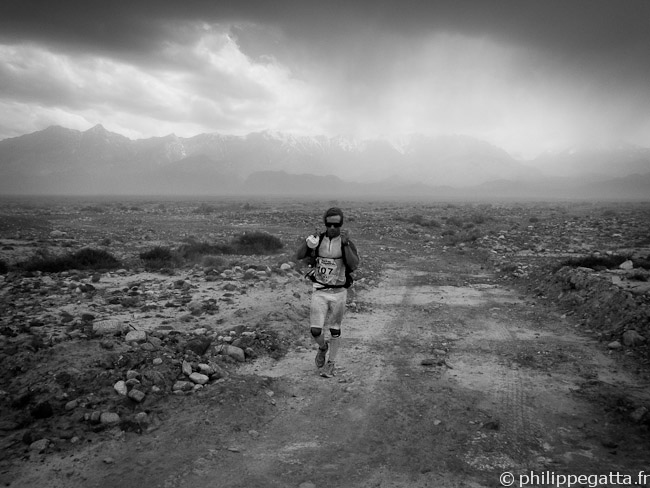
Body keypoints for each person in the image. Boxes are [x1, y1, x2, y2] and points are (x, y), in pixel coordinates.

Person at [295, 207, 360, 377]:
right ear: (325, 224)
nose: (332, 228)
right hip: (320, 290)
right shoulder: (319, 240)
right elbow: (299, 255)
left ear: (341, 224)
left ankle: (331, 364)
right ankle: (323, 347)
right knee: (315, 330)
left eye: (336, 224)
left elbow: (353, 264)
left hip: (338, 292)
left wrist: (345, 244)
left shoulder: (346, 242)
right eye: (329, 224)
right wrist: (308, 242)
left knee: (335, 329)